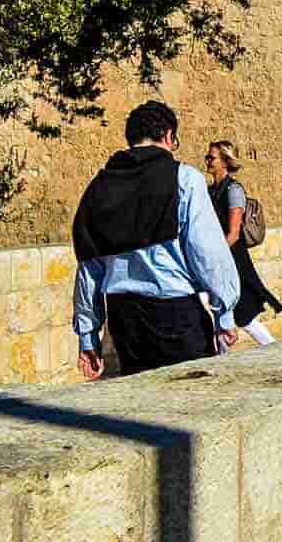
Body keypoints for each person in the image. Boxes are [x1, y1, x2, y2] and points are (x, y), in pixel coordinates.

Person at [73, 101, 241, 379]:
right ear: (168, 136)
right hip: (175, 313)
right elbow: (207, 253)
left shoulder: (100, 186)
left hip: (123, 318)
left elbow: (89, 268)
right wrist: (224, 315)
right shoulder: (184, 179)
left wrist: (88, 339)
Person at [204, 140, 282, 346]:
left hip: (232, 261)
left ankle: (274, 349)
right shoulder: (210, 191)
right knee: (220, 314)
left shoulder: (233, 190)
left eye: (211, 157)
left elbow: (233, 233)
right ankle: (221, 360)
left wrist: (213, 257)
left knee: (245, 317)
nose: (207, 161)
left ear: (224, 162)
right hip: (218, 259)